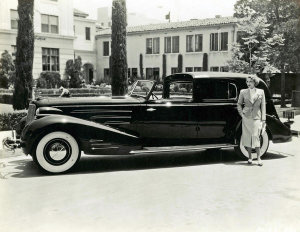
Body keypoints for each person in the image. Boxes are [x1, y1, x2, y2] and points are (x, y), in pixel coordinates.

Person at [237, 76, 266, 166]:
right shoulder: (243, 91)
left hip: (257, 117)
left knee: (256, 136)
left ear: (255, 82)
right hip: (247, 117)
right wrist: (242, 114)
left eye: (250, 81)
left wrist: (263, 119)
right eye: (247, 81)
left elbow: (263, 106)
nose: (248, 83)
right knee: (247, 137)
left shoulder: (261, 91)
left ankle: (258, 158)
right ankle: (249, 157)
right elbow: (239, 104)